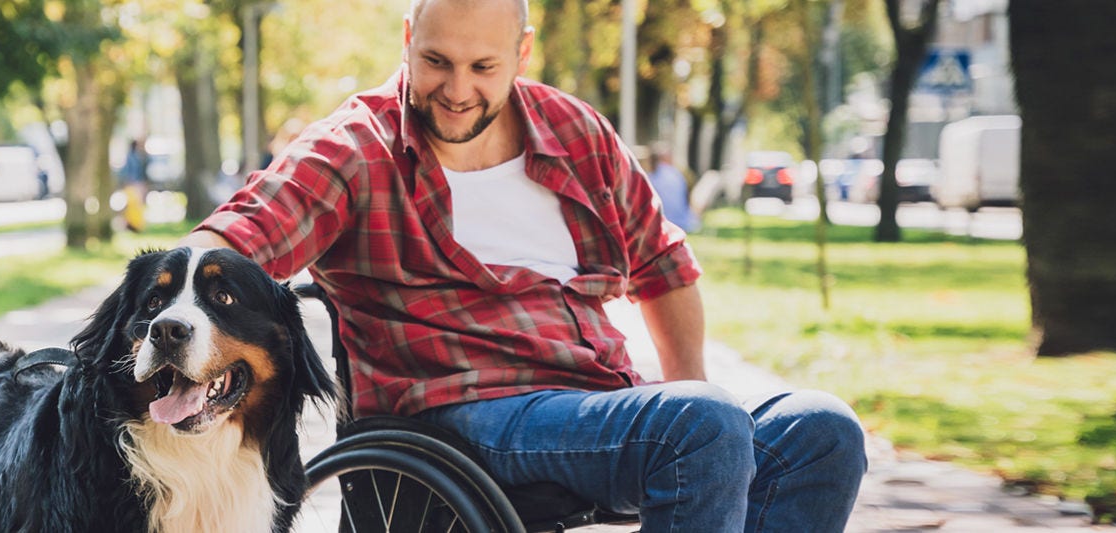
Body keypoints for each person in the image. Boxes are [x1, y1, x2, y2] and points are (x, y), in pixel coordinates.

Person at [177, 0, 866, 531]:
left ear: (522, 52)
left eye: (483, 68)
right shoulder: (355, 148)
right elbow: (238, 235)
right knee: (703, 421)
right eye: (437, 62)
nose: (455, 89)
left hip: (596, 399)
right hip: (460, 413)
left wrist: (699, 421)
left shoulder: (574, 132)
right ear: (408, 42)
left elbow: (663, 263)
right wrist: (163, 310)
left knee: (822, 429)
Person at [647, 146, 700, 232]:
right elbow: (686, 199)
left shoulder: (650, 177)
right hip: (683, 223)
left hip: (661, 223)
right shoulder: (677, 174)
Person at [119, 138, 149, 232]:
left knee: (132, 206)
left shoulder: (132, 157)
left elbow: (124, 172)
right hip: (135, 184)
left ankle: (134, 225)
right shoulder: (136, 157)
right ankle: (135, 225)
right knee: (135, 206)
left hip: (132, 184)